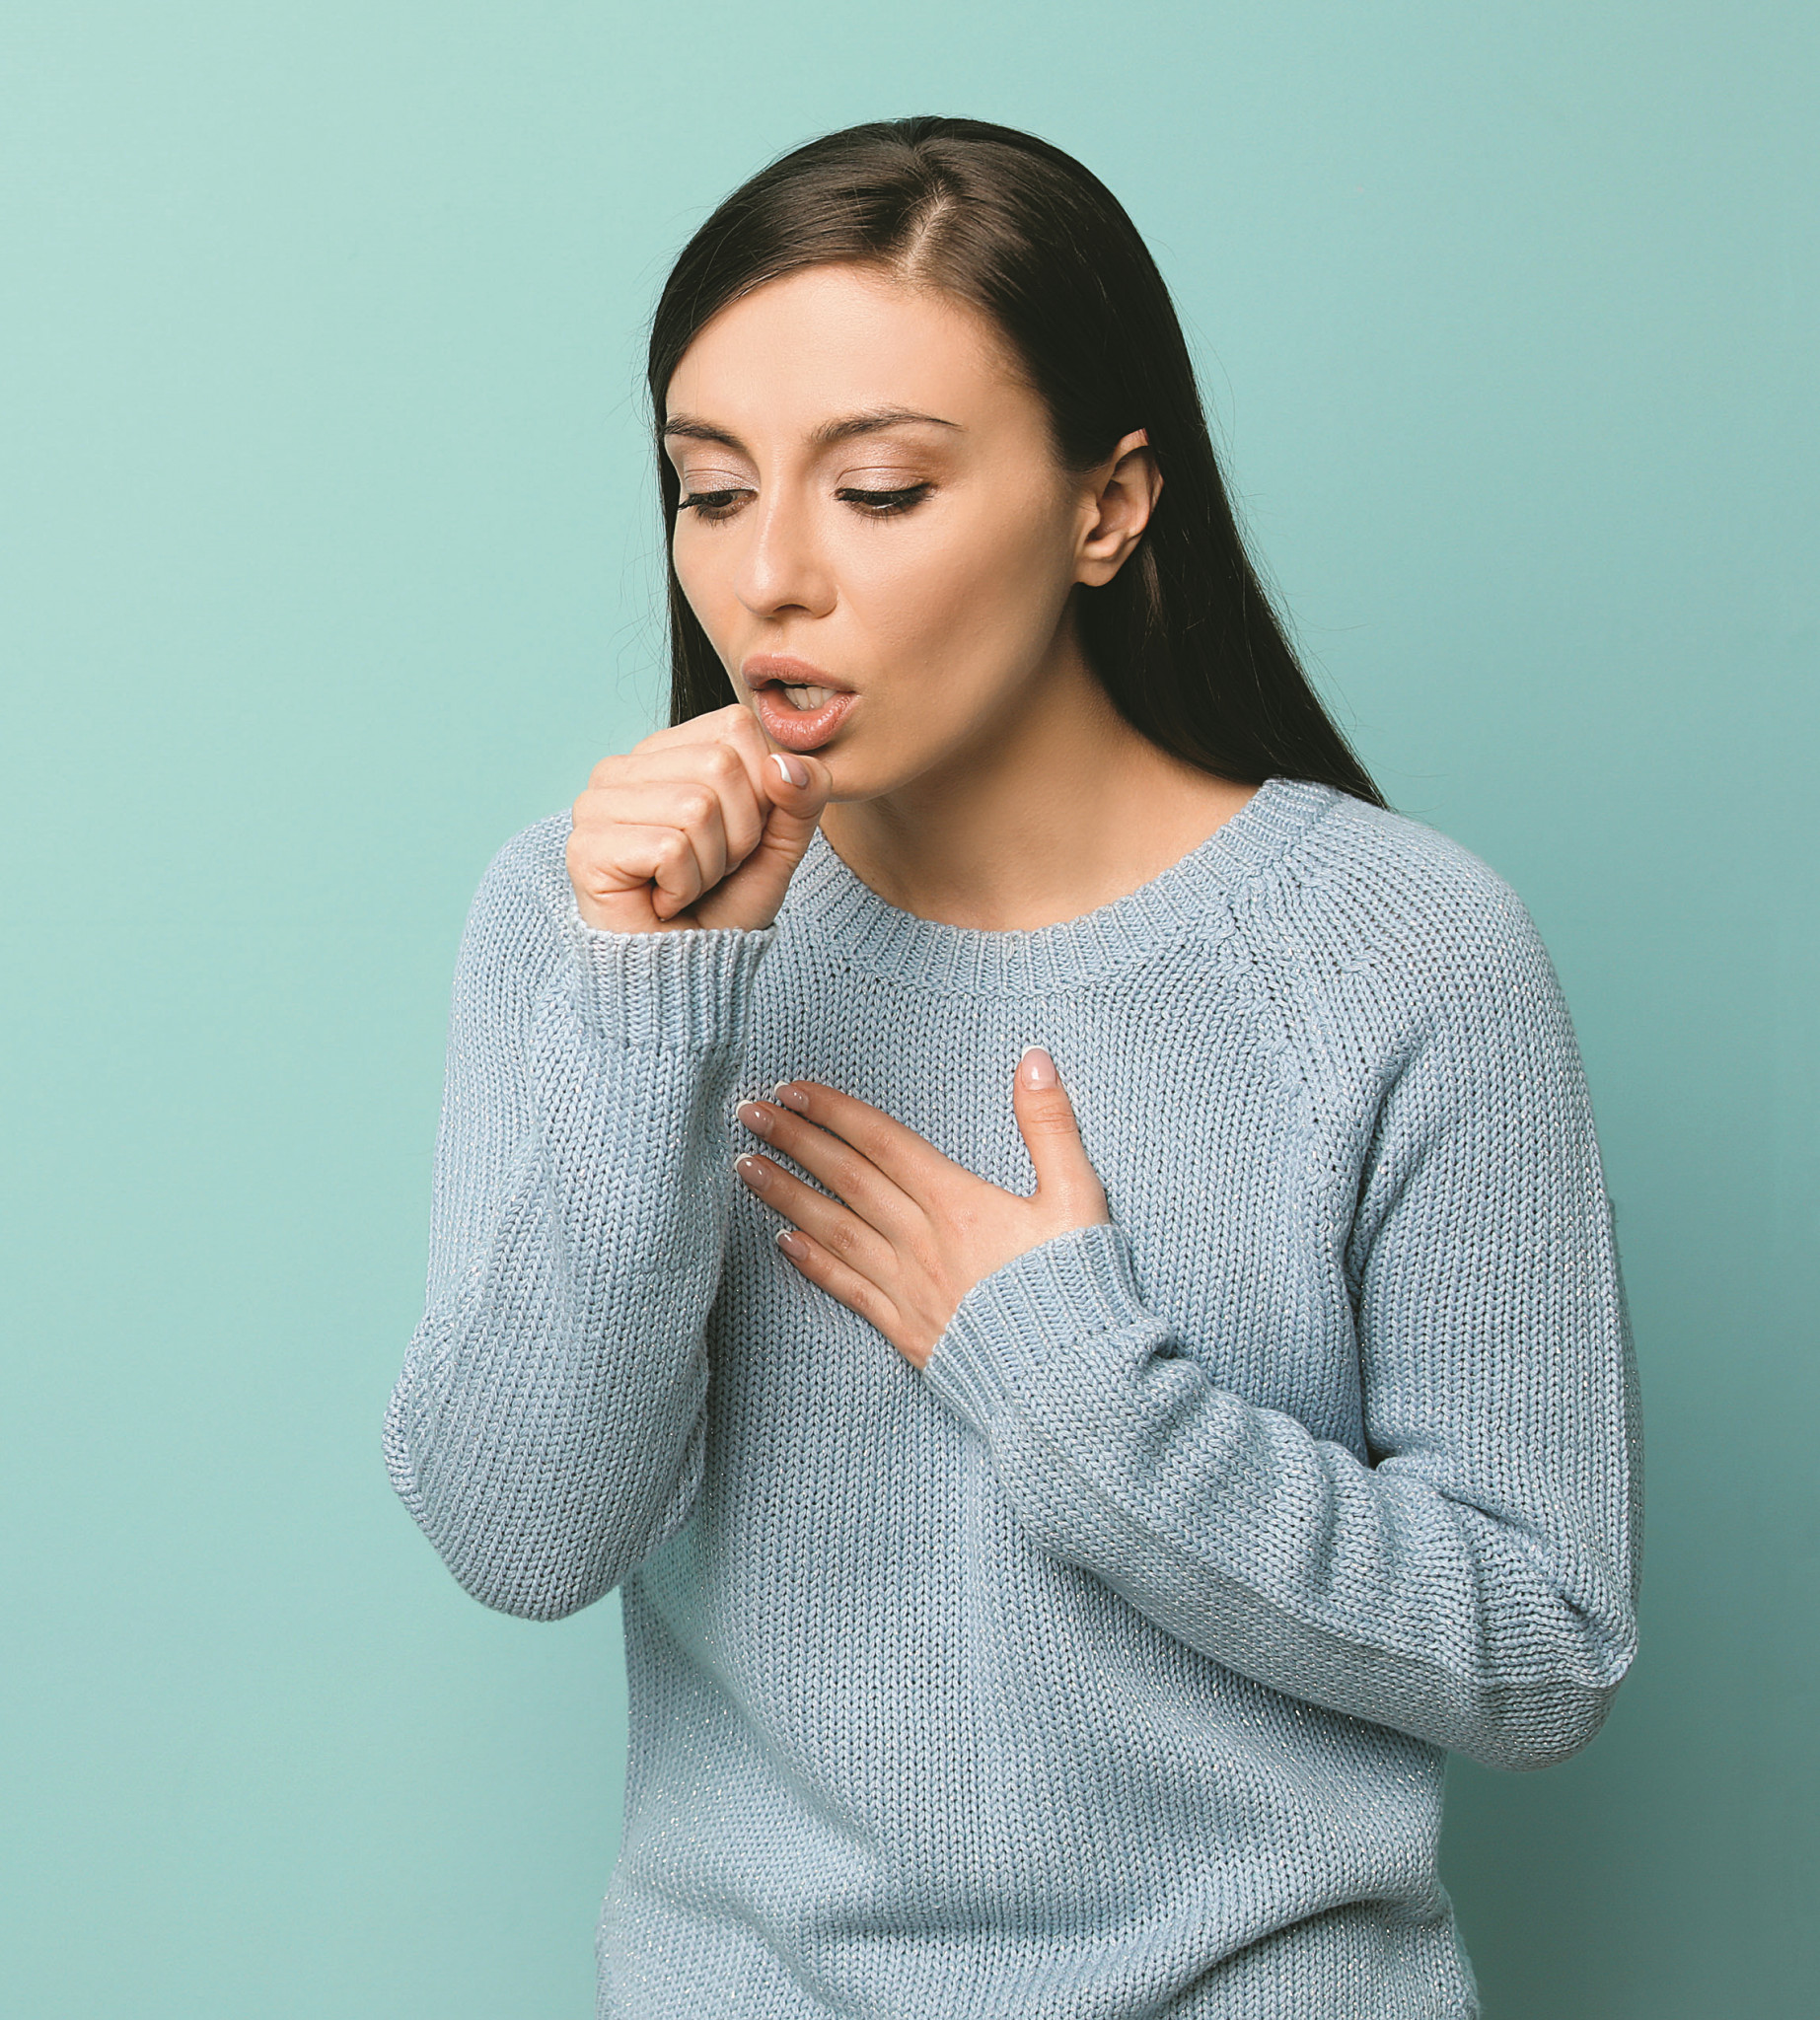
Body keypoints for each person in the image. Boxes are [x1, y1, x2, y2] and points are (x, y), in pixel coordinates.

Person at [383, 116, 1642, 2019]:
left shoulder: (1405, 952)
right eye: (710, 489)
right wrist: (654, 1009)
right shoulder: (584, 917)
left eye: (878, 489)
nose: (769, 576)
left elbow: (1543, 1653)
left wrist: (1081, 1392)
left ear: (1104, 507)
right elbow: (521, 1536)